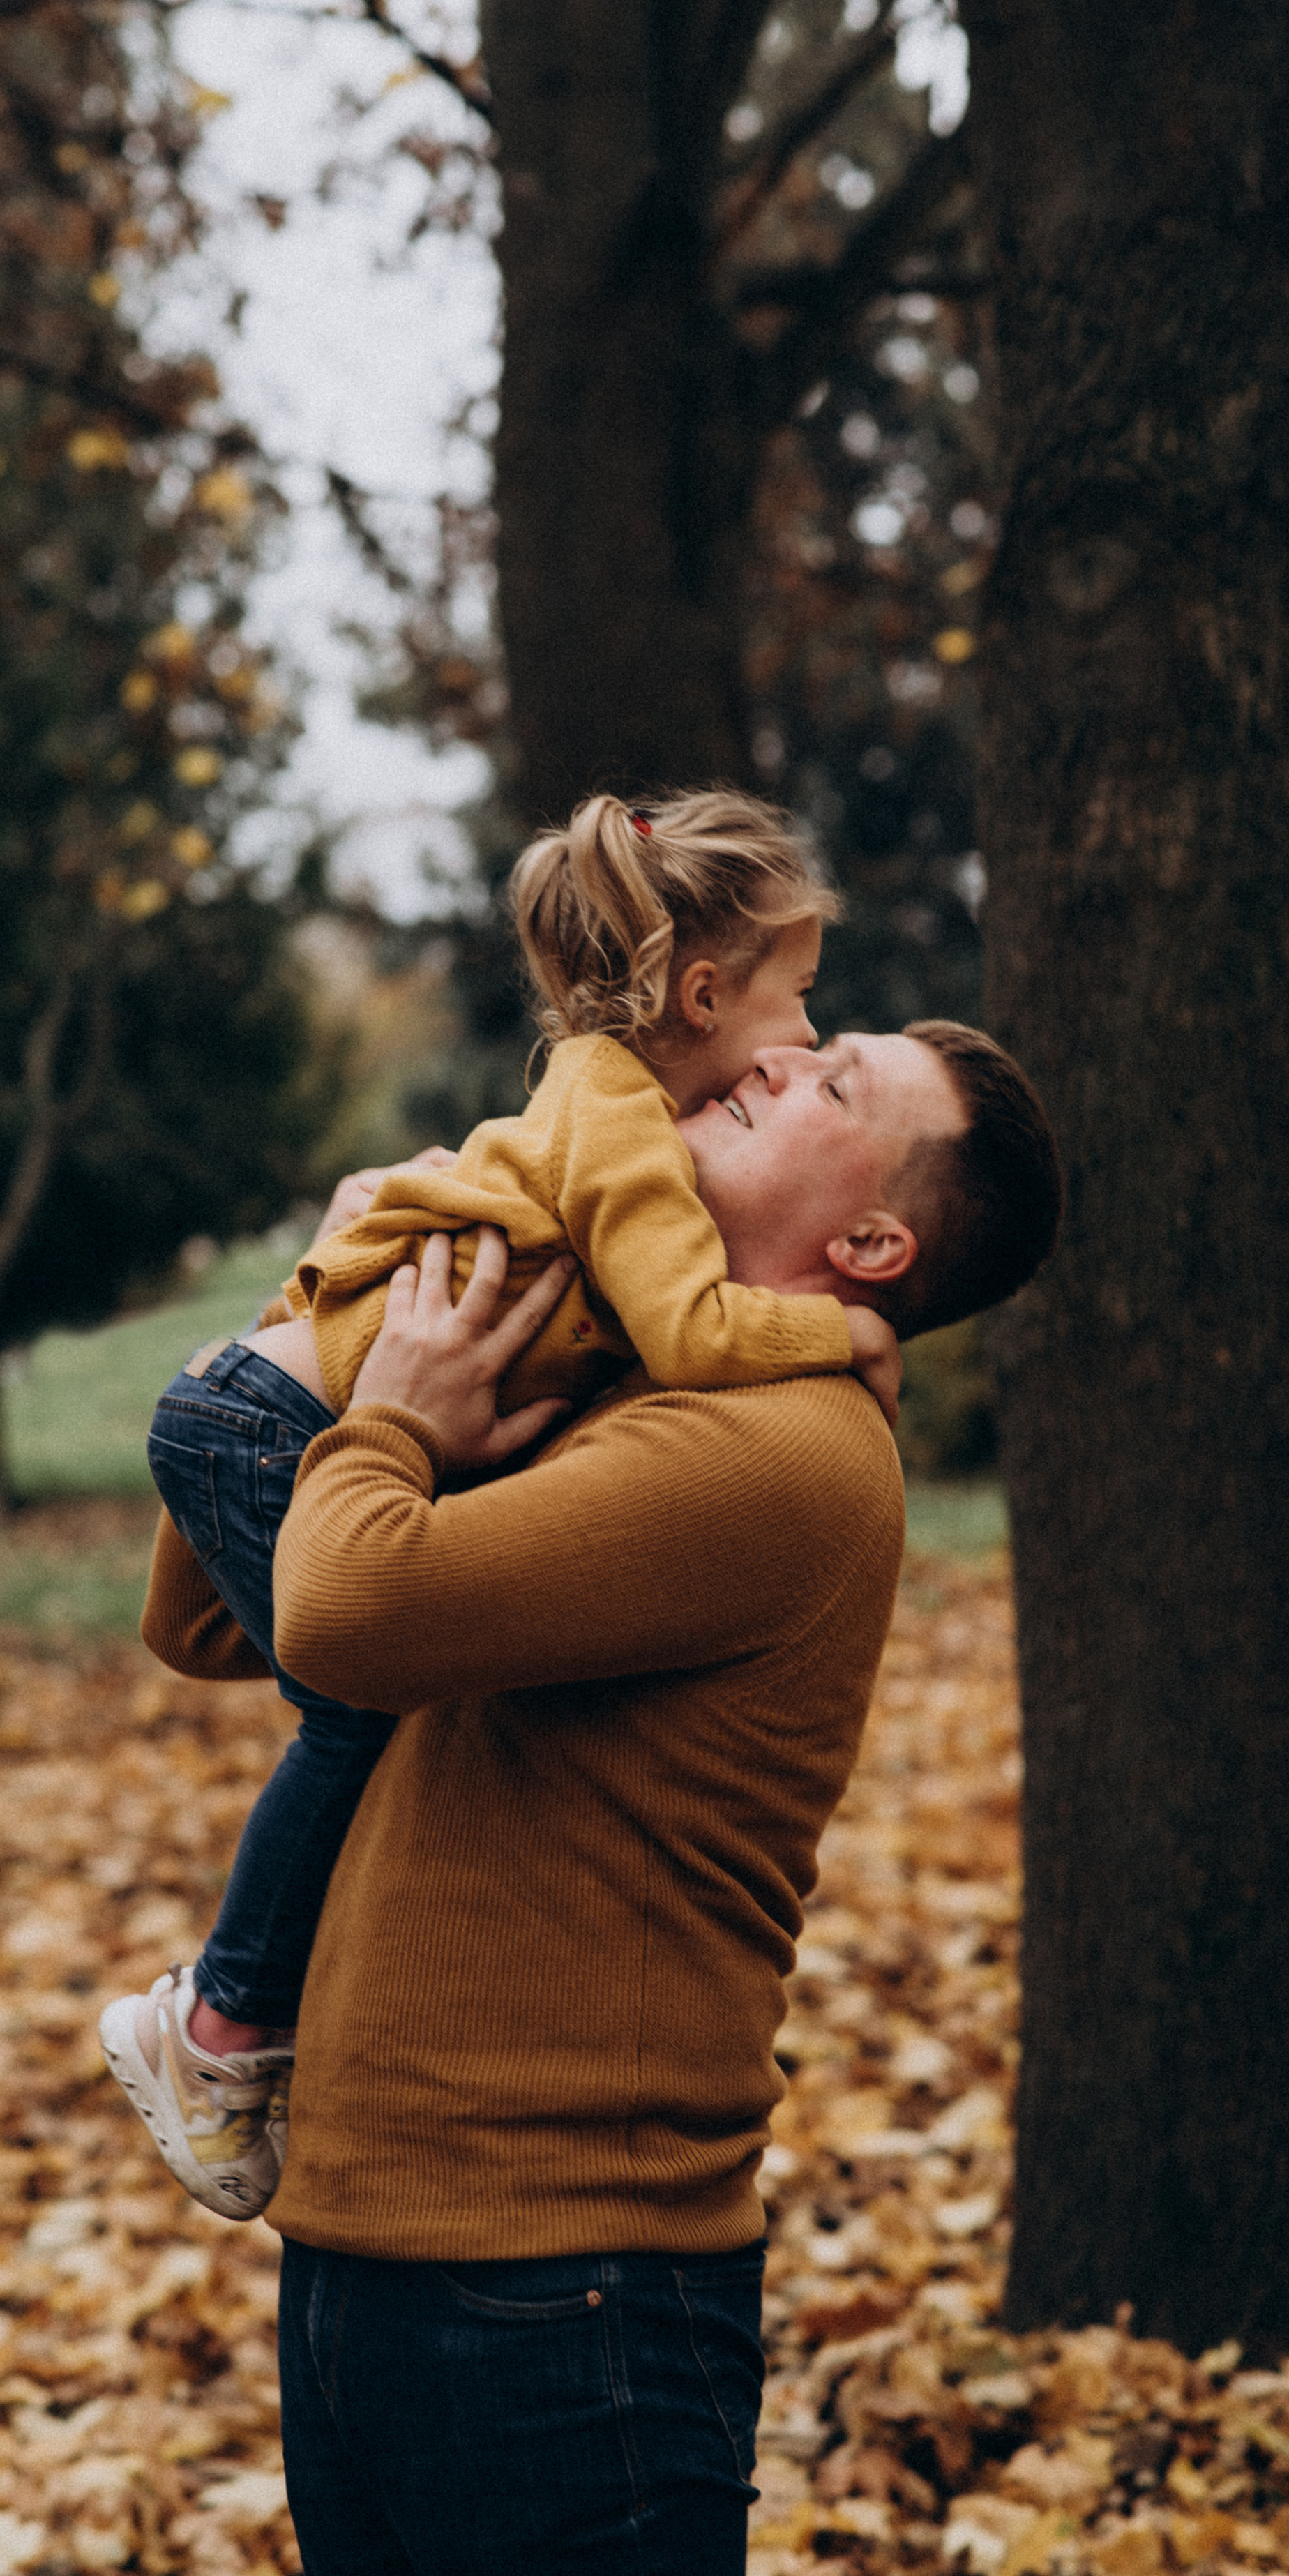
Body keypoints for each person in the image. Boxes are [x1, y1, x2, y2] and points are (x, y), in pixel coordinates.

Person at [140, 1016, 1060, 2576]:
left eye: (831, 1086)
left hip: (565, 2289)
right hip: (372, 2246)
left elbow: (344, 1614)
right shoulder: (613, 1384)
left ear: (867, 1239)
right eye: (809, 1043)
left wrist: (395, 1426)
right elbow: (214, 1615)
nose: (770, 1059)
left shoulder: (785, 1452)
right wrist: (321, 1310)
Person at [101, 787, 909, 2219]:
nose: (792, 1050)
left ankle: (229, 2020)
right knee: (354, 1699)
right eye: (800, 1012)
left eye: (828, 1071)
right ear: (707, 990)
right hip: (269, 1416)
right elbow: (695, 1329)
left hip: (262, 1412)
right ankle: (219, 2019)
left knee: (353, 1695)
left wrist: (365, 1386)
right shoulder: (624, 1136)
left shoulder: (606, 1132)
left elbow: (237, 1622)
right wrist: (836, 1334)